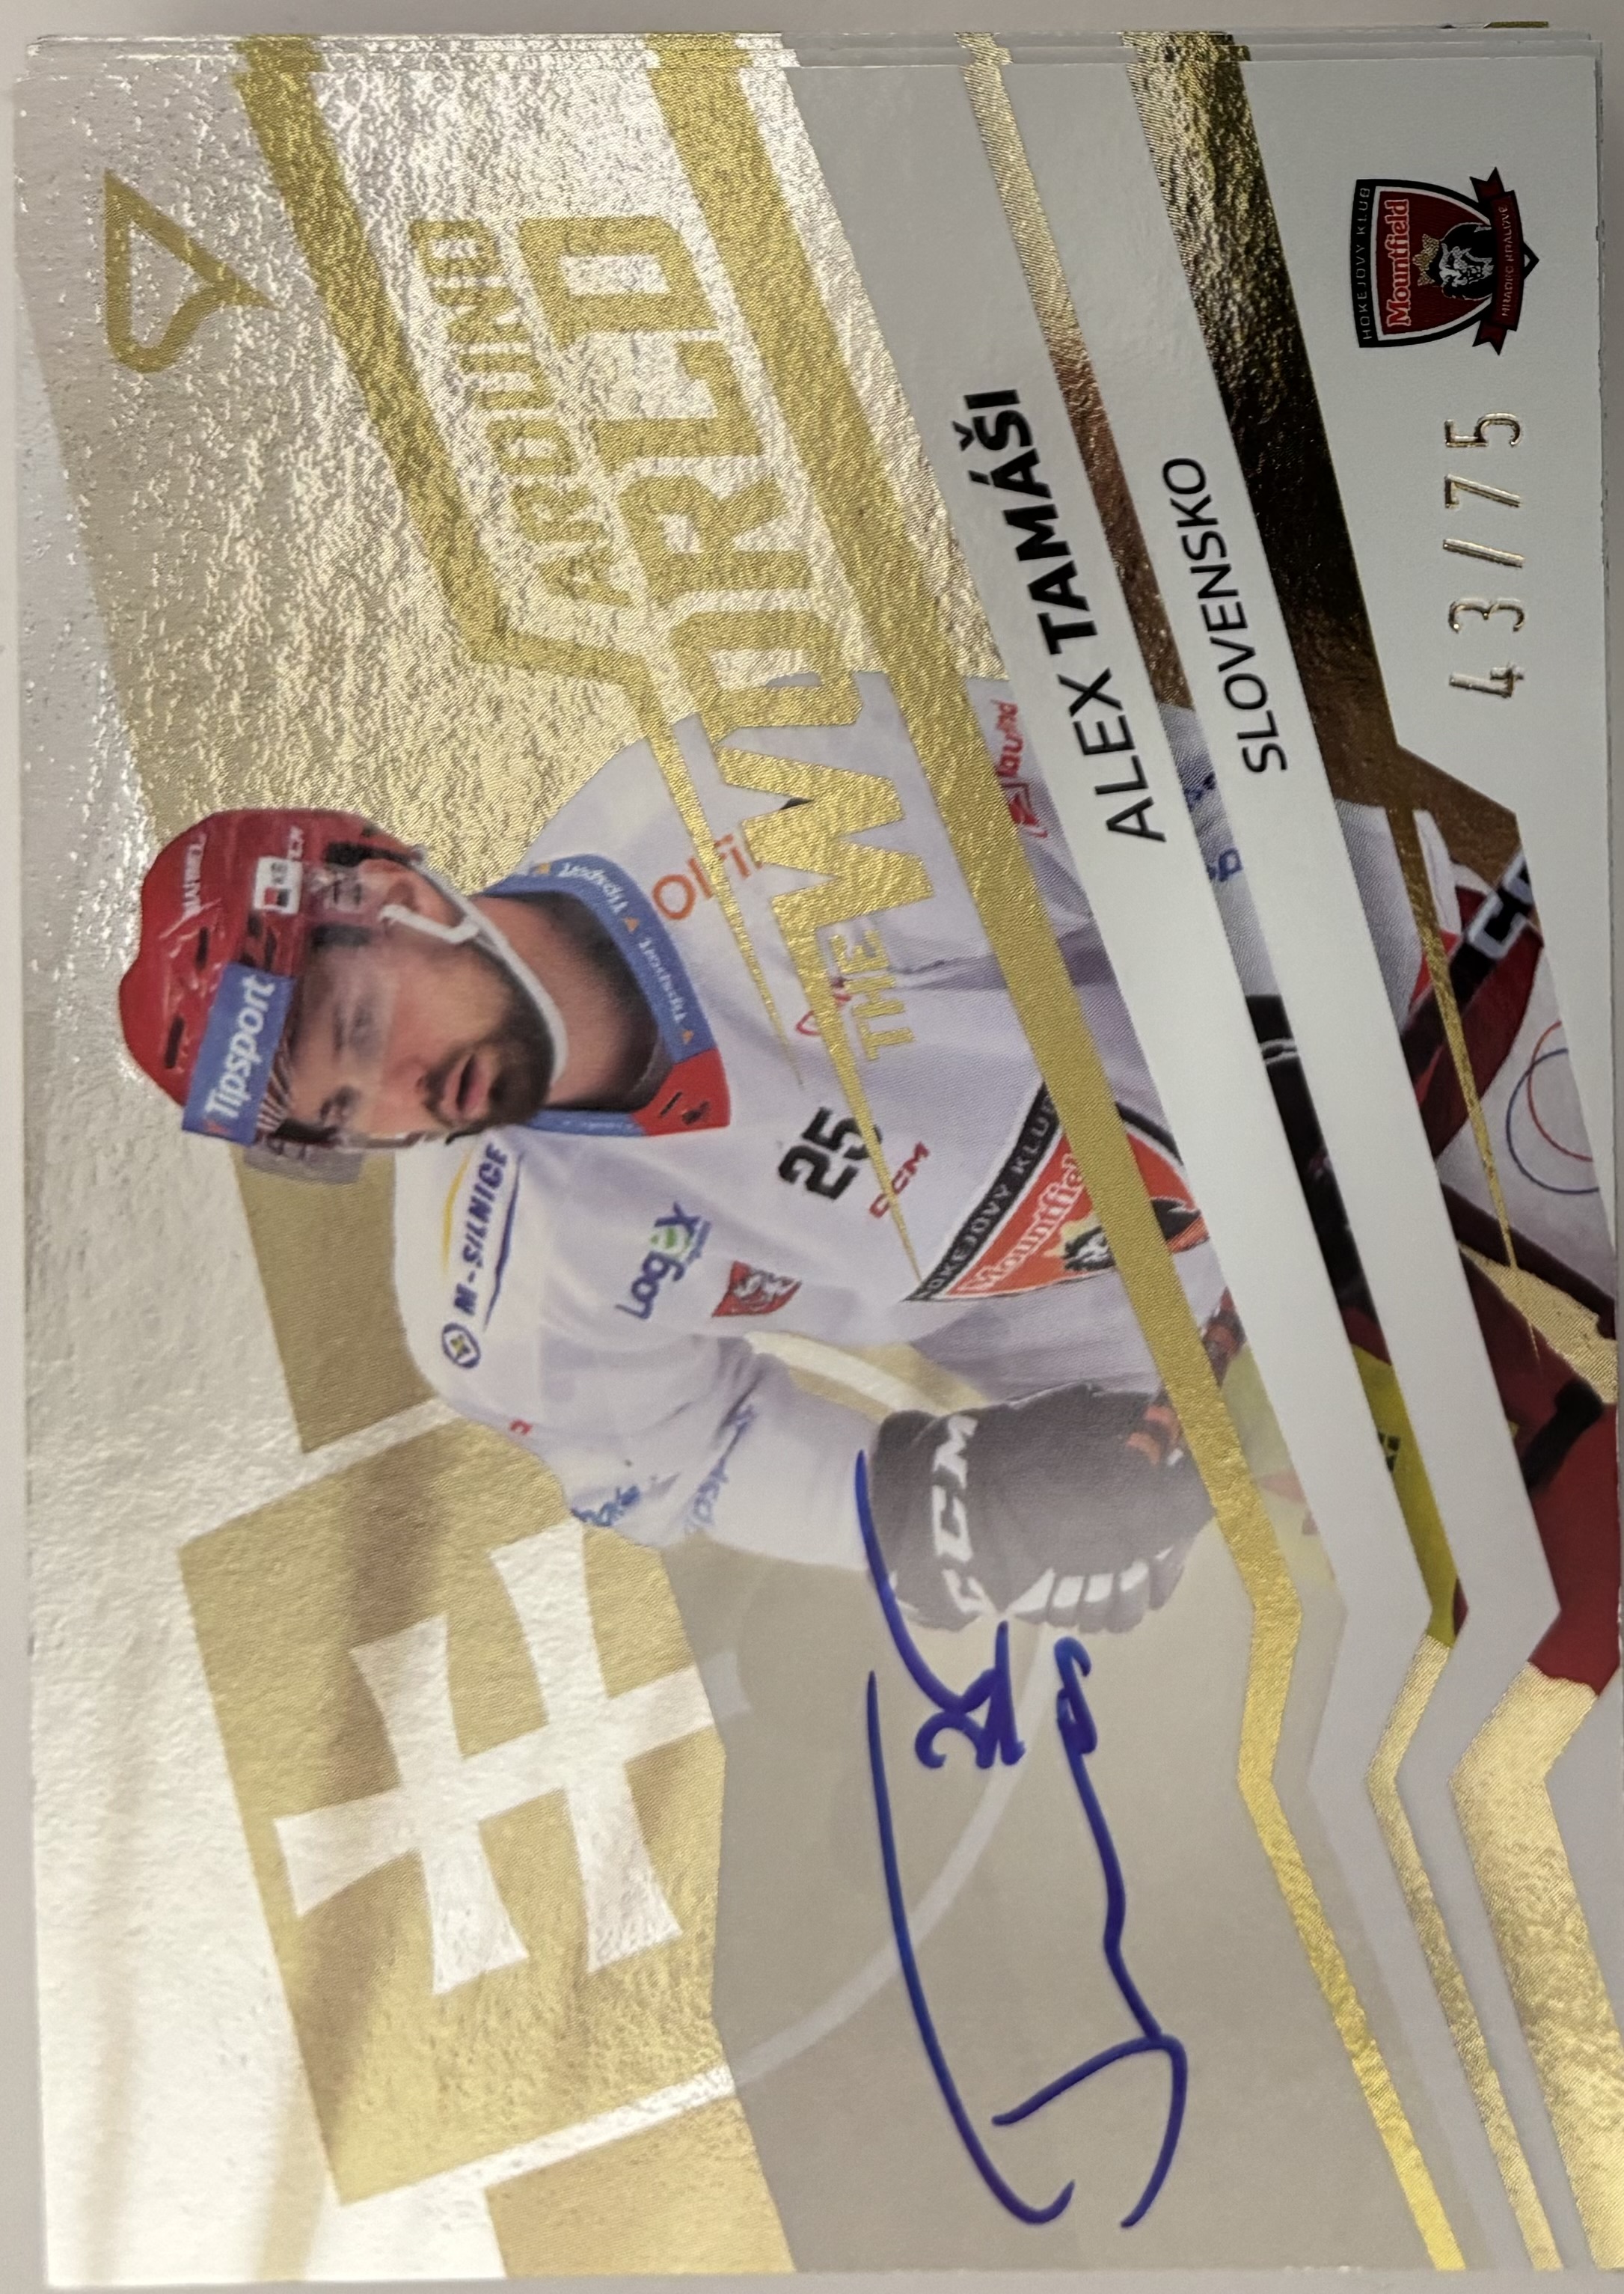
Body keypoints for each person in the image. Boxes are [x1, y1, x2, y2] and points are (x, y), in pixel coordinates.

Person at [119, 677, 1241, 1636]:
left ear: (399, 899)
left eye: (363, 1028)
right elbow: (698, 1454)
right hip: (1191, 1367)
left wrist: (1295, 1047)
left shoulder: (741, 797)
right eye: (346, 1112)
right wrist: (939, 1512)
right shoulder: (487, 1291)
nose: (405, 1099)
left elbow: (1178, 805)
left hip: (1299, 1071)